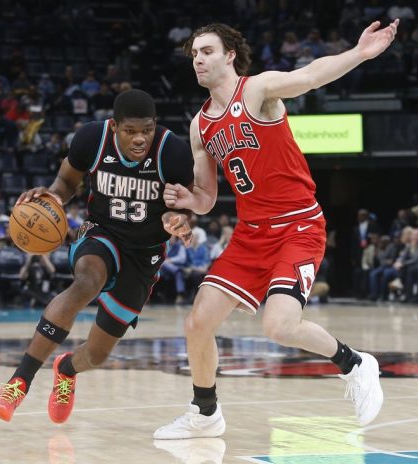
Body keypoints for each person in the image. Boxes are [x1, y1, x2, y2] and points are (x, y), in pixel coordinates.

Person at [154, 20, 398, 439]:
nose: (198, 60)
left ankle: (355, 364)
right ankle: (205, 413)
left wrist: (359, 53)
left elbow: (310, 75)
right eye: (194, 54)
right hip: (251, 234)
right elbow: (207, 197)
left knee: (279, 326)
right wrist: (186, 202)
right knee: (197, 323)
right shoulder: (200, 126)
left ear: (230, 55)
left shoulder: (257, 90)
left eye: (207, 51)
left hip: (297, 225)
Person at [0, 89, 195, 423]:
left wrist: (178, 220)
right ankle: (18, 383)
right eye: (130, 131)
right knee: (86, 282)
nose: (140, 138)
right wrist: (52, 196)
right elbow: (66, 181)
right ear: (114, 126)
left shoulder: (174, 152)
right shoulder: (92, 139)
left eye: (147, 129)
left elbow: (185, 207)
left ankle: (66, 369)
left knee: (97, 355)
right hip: (102, 232)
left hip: (145, 254)